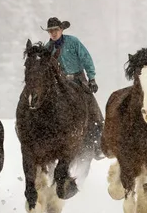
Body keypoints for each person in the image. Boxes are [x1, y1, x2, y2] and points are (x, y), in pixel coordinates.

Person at [42, 17, 104, 159]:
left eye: (56, 30)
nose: (53, 33)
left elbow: (86, 59)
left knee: (93, 108)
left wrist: (92, 78)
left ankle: (98, 143)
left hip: (78, 80)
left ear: (61, 30)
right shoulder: (48, 48)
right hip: (59, 82)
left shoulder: (73, 42)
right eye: (50, 31)